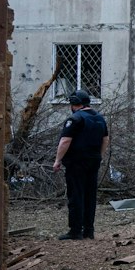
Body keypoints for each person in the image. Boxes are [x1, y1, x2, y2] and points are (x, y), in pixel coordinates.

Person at [51, 91, 108, 240]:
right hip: (93, 160)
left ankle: (75, 231)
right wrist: (99, 156)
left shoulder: (75, 119)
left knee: (76, 194)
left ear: (74, 103)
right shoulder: (100, 118)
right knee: (90, 195)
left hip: (76, 162)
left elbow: (65, 141)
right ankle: (89, 230)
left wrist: (57, 160)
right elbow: (105, 139)